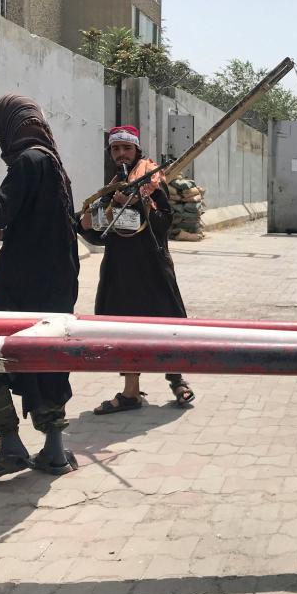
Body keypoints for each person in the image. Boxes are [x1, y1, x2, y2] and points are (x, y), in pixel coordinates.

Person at [0, 95, 80, 482]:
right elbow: (24, 220)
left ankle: (10, 447)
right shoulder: (50, 162)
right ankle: (53, 451)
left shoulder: (26, 162)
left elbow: (0, 211)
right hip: (56, 284)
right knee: (47, 360)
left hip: (22, 287)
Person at [79, 125, 194, 413]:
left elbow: (164, 221)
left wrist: (140, 201)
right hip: (120, 269)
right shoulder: (112, 186)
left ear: (136, 150)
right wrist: (86, 224)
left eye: (126, 148)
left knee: (166, 324)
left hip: (152, 266)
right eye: (115, 149)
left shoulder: (152, 180)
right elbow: (101, 232)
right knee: (123, 327)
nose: (121, 154)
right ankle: (131, 392)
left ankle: (177, 379)